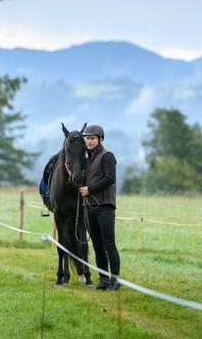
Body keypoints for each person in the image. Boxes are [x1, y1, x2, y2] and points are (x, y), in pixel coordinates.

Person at [79, 124, 121, 291]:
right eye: (87, 138)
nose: (89, 141)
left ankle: (115, 281)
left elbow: (109, 178)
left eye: (92, 138)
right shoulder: (88, 160)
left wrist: (90, 190)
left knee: (109, 244)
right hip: (90, 207)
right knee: (97, 246)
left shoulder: (107, 156)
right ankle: (103, 279)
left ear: (100, 139)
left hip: (105, 207)